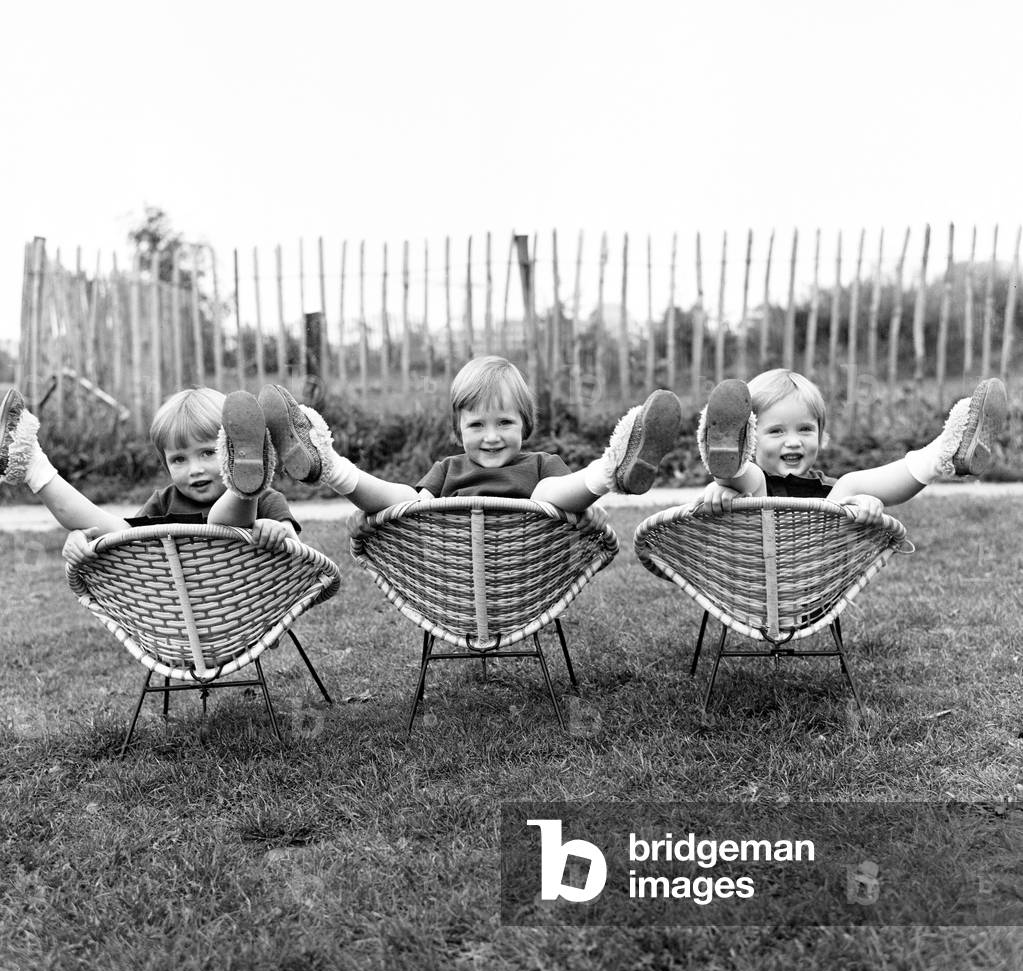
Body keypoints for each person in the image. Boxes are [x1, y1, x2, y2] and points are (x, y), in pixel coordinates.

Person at [219, 355, 685, 514]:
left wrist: (586, 517)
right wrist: (379, 524)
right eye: (476, 425)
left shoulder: (540, 465)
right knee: (412, 501)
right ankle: (326, 465)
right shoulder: (448, 470)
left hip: (527, 559)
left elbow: (568, 512)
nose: (491, 437)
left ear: (527, 426)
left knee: (548, 496)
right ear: (456, 430)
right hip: (453, 566)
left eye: (505, 423)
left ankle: (614, 470)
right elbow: (404, 514)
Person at [0, 386, 301, 562]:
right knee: (119, 529)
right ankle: (32, 467)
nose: (194, 469)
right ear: (165, 463)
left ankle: (243, 486)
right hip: (175, 610)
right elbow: (123, 544)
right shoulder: (164, 501)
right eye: (179, 459)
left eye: (208, 453)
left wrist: (277, 531)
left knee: (221, 524)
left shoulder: (269, 500)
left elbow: (296, 550)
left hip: (244, 600)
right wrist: (82, 540)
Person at [693, 369, 1009, 522]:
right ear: (754, 437)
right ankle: (727, 463)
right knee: (754, 480)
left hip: (812, 575)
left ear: (821, 434)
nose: (794, 441)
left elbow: (850, 511)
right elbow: (704, 528)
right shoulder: (748, 486)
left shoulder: (826, 490)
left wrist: (860, 505)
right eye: (775, 431)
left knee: (851, 484)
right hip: (753, 574)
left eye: (805, 429)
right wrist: (720, 492)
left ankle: (943, 455)